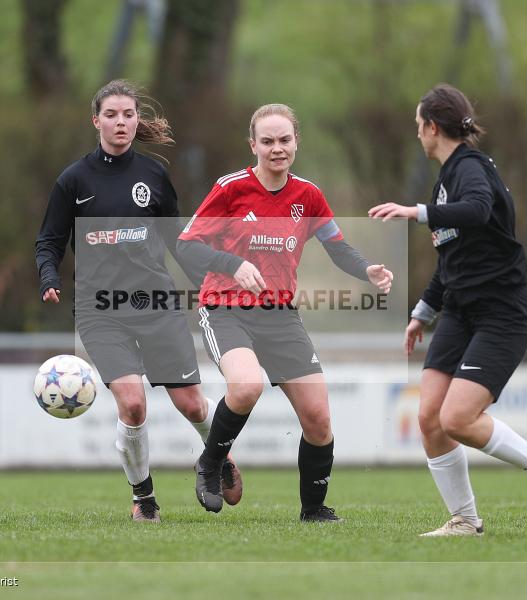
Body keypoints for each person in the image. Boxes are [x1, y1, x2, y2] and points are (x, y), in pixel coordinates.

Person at [34, 80, 242, 523]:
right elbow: (49, 240)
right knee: (132, 403)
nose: (121, 122)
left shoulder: (154, 175)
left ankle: (217, 457)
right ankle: (144, 498)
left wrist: (209, 288)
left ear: (136, 120)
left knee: (193, 405)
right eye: (112, 114)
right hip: (100, 310)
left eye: (128, 114)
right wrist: (49, 275)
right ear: (96, 121)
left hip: (157, 304)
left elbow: (177, 242)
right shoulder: (74, 180)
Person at [177, 103, 393, 522]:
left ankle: (313, 510)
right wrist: (233, 265)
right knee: (246, 388)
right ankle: (210, 464)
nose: (277, 148)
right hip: (226, 309)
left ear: (296, 142)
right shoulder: (230, 189)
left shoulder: (308, 195)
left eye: (285, 140)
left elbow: (337, 247)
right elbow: (187, 245)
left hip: (280, 315)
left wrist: (366, 269)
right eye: (268, 141)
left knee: (318, 419)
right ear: (253, 145)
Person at [368, 83, 527, 536]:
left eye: (419, 127)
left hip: (501, 311)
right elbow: (451, 260)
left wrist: (414, 212)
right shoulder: (446, 180)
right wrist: (422, 312)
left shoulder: (470, 168)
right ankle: (465, 520)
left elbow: (476, 210)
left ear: (432, 127)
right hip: (459, 311)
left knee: (457, 419)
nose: (418, 135)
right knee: (429, 418)